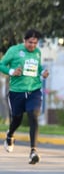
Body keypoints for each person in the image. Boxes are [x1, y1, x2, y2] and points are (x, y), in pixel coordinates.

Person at [0, 29, 49, 164]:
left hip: (34, 90)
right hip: (17, 92)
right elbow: (1, 64)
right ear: (24, 40)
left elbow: (38, 67)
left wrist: (43, 72)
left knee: (33, 115)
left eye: (35, 43)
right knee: (17, 119)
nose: (32, 46)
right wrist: (12, 71)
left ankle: (33, 151)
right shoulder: (14, 50)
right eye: (30, 43)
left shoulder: (37, 52)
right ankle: (10, 135)